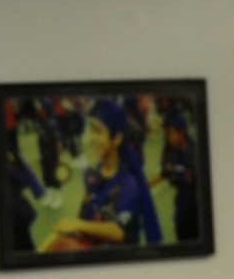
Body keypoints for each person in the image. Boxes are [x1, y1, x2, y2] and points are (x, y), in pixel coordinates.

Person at [44, 99, 161, 251]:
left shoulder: (129, 183)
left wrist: (77, 224)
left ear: (117, 139)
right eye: (92, 130)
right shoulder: (92, 173)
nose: (93, 138)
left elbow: (119, 231)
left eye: (99, 131)